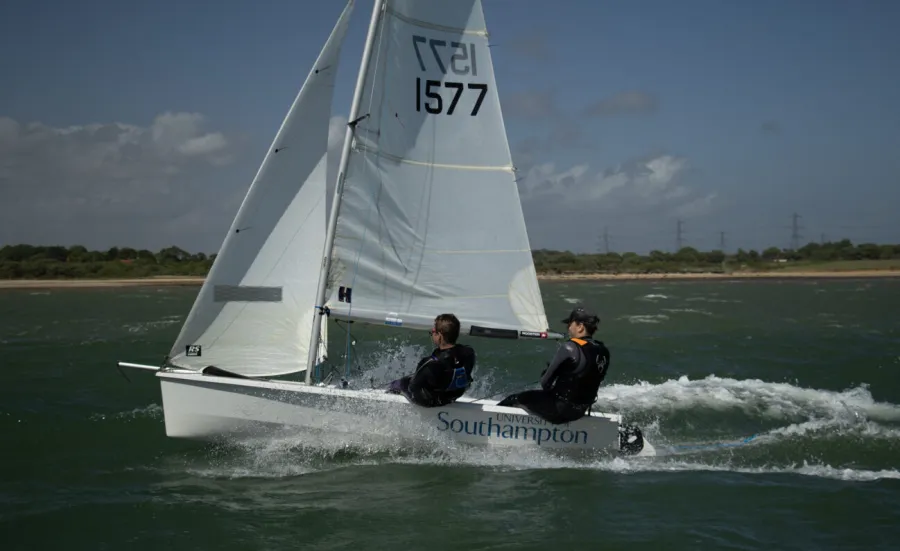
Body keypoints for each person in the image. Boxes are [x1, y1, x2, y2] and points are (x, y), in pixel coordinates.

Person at [497, 306, 610, 424]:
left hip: (559, 411)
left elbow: (545, 383)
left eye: (570, 324)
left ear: (580, 327)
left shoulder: (569, 348)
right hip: (579, 411)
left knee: (514, 399)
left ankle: (492, 425)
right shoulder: (603, 351)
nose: (568, 328)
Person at [386, 313, 476, 407]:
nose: (432, 333)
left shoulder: (430, 362)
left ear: (439, 335)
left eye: (433, 331)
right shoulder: (469, 352)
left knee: (401, 383)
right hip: (454, 396)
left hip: (431, 402)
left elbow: (413, 387)